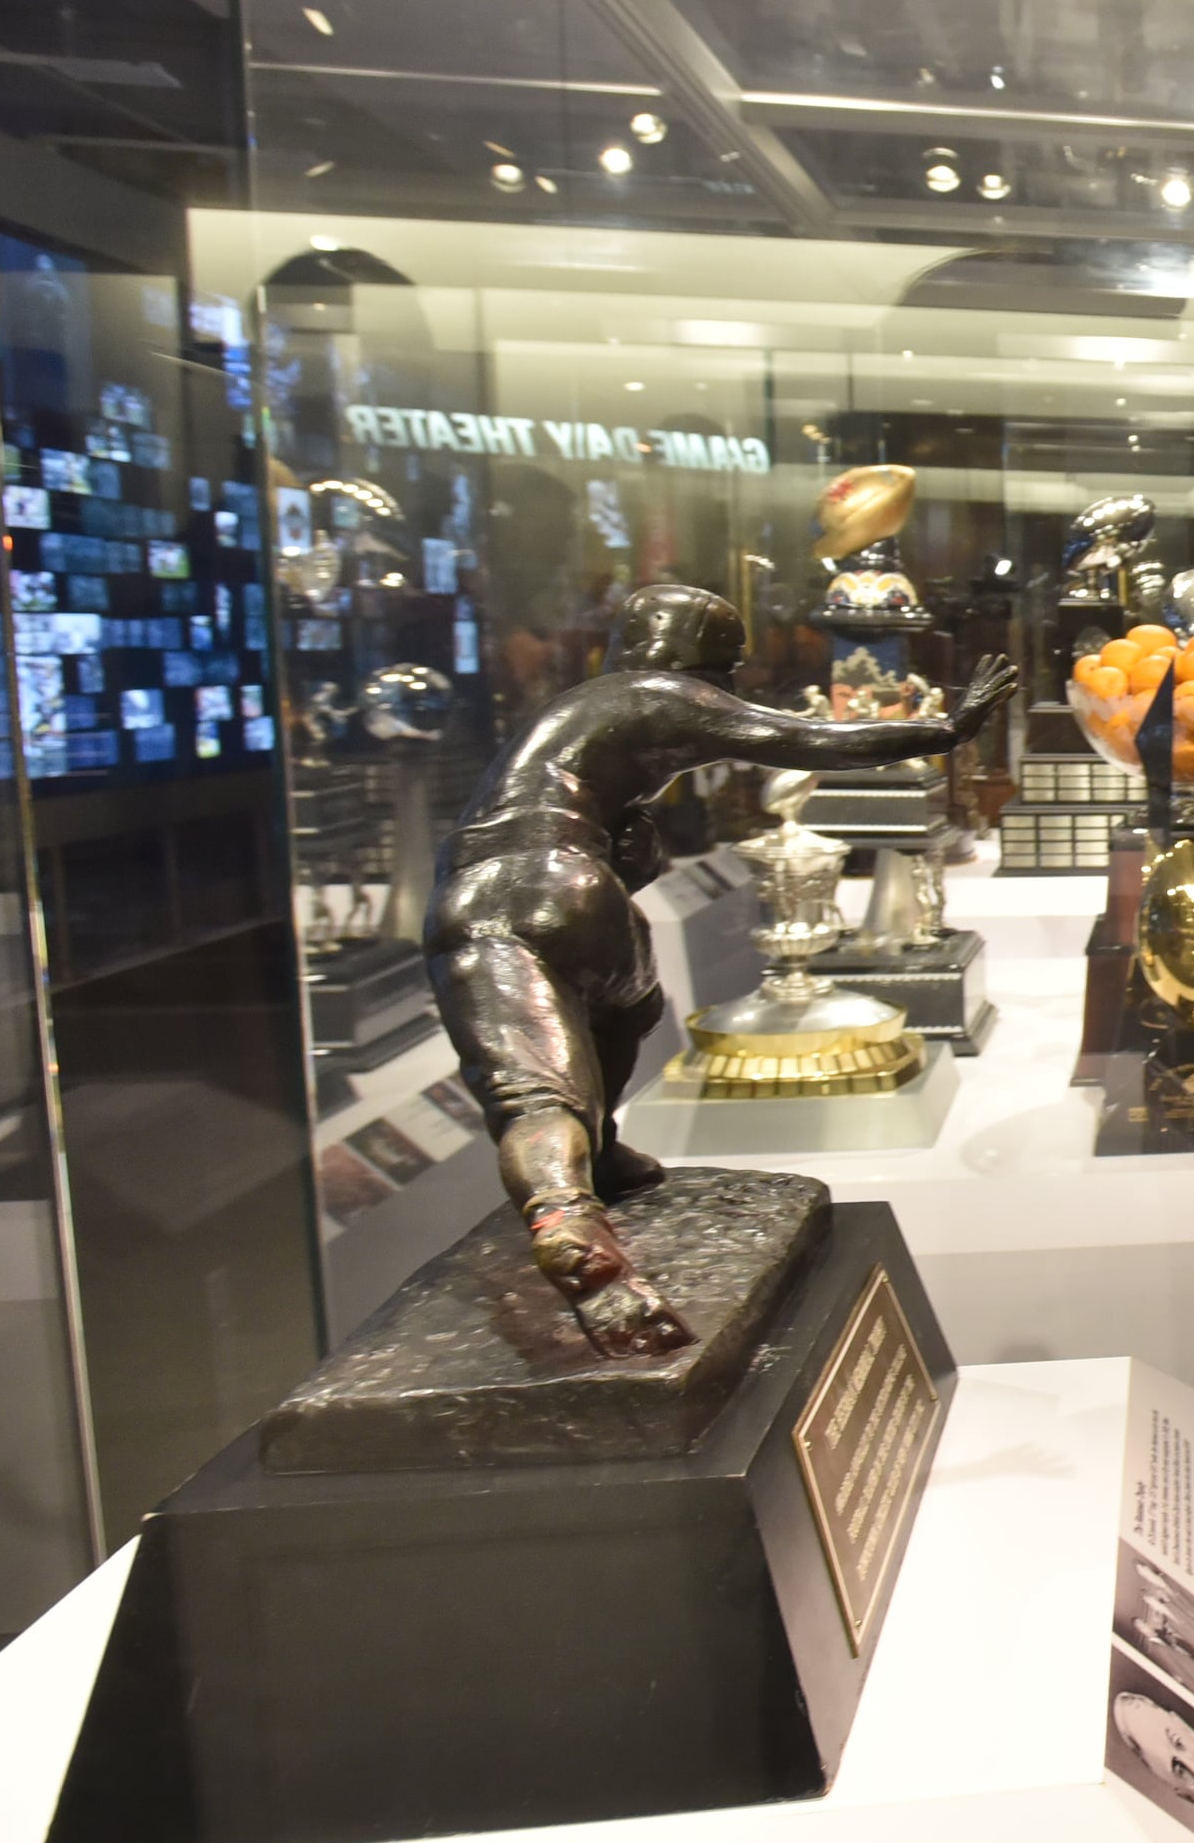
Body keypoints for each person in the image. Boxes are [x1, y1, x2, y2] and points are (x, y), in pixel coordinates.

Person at [426, 580, 1012, 1354]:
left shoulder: (570, 713)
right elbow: (804, 740)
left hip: (465, 896)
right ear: (703, 662)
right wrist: (945, 728)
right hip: (563, 881)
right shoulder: (657, 695)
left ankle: (569, 1197)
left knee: (532, 1089)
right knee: (624, 1006)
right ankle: (588, 1171)